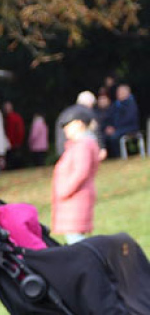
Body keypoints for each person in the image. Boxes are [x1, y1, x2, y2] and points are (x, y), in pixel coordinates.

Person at [52, 105, 99, 245]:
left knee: (76, 241)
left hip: (76, 199)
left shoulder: (83, 145)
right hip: (75, 198)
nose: (65, 129)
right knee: (75, 239)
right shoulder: (80, 145)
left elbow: (81, 172)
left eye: (68, 125)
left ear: (79, 124)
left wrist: (64, 191)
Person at [105, 84, 140, 158]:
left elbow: (129, 119)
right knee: (104, 136)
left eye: (121, 92)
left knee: (114, 136)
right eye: (118, 92)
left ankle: (119, 156)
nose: (118, 94)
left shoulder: (131, 104)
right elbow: (109, 117)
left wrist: (115, 128)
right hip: (117, 128)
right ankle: (110, 157)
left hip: (129, 127)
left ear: (127, 93)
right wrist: (109, 126)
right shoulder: (115, 105)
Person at [3, 100, 25, 169]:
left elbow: (19, 130)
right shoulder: (8, 118)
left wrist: (17, 141)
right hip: (10, 142)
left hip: (14, 142)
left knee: (13, 159)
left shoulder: (13, 118)